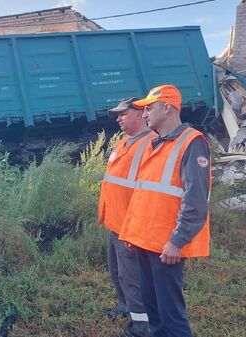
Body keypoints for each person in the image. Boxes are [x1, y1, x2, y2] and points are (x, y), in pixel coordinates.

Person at [119, 85, 211, 337]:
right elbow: (143, 196)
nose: (144, 114)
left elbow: (196, 201)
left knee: (172, 318)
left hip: (166, 247)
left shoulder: (192, 143)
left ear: (167, 107)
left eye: (149, 108)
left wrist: (177, 241)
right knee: (154, 313)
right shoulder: (155, 143)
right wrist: (131, 234)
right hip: (145, 241)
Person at [99, 98, 153, 337]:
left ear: (141, 114)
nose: (119, 118)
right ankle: (124, 306)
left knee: (133, 279)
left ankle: (142, 328)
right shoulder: (123, 143)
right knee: (118, 273)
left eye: (124, 113)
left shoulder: (152, 144)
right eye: (117, 115)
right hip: (114, 221)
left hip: (130, 225)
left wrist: (136, 225)